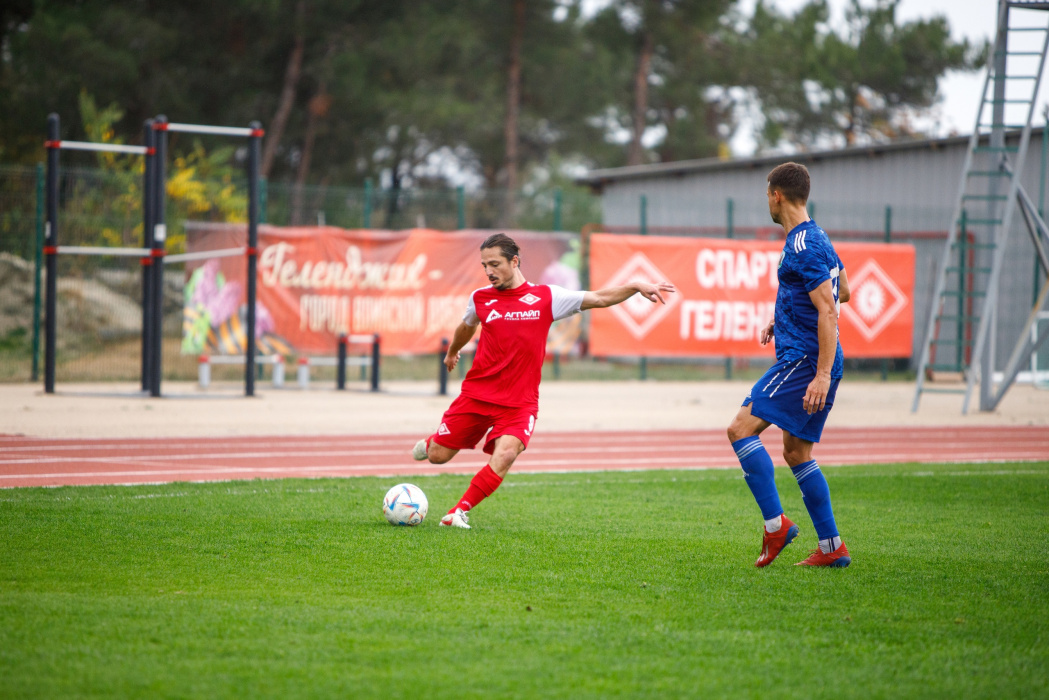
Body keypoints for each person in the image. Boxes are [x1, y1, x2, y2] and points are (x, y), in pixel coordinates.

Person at [413, 232, 675, 528]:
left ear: (515, 261)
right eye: (484, 265)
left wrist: (636, 285)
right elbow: (466, 326)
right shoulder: (480, 298)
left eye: (495, 264)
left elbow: (599, 298)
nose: (488, 271)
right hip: (477, 395)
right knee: (438, 456)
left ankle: (457, 512)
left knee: (508, 452)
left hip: (519, 403)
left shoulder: (547, 297)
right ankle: (431, 442)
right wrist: (452, 352)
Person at [726, 162, 853, 568]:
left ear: (776, 195)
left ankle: (775, 526)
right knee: (797, 453)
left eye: (767, 194)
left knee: (740, 429)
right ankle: (832, 549)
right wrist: (780, 319)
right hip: (813, 358)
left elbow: (830, 309)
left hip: (805, 362)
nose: (766, 200)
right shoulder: (816, 237)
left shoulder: (802, 244)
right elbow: (844, 289)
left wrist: (819, 373)